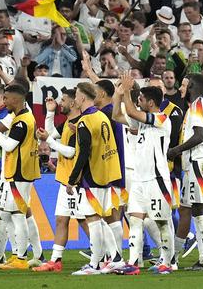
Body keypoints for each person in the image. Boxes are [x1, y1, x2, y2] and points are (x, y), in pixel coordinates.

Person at [114, 74, 176, 274]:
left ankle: (169, 261)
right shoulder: (140, 123)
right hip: (140, 180)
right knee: (135, 219)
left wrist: (126, 92)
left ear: (151, 102)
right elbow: (117, 115)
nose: (138, 101)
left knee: (161, 221)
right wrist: (118, 94)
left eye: (141, 99)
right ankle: (133, 263)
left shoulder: (161, 119)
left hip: (157, 179)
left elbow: (131, 110)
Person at [0, 83, 42, 269]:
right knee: (6, 214)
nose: (4, 101)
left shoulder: (22, 121)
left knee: (17, 215)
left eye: (6, 98)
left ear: (15, 99)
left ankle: (21, 259)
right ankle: (14, 255)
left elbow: (8, 146)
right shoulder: (20, 117)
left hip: (19, 173)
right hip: (14, 172)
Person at [69, 81, 122, 275]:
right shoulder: (101, 116)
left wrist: (72, 179)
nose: (75, 99)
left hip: (92, 175)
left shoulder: (84, 121)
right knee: (99, 218)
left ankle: (110, 260)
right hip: (105, 173)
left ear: (82, 97)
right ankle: (100, 262)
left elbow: (83, 153)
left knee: (94, 219)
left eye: (76, 95)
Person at [166, 73, 203, 271]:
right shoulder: (198, 106)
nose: (180, 88)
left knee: (199, 207)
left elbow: (198, 136)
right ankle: (176, 258)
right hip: (194, 163)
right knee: (190, 208)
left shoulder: (197, 105)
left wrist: (175, 151)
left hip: (199, 161)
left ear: (193, 86)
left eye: (184, 84)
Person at [33, 91, 80, 273]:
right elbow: (50, 133)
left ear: (74, 102)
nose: (60, 102)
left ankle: (104, 257)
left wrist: (49, 141)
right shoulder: (68, 123)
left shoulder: (80, 123)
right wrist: (50, 112)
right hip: (64, 178)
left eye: (63, 100)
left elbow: (71, 152)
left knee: (85, 221)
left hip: (76, 180)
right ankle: (55, 260)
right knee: (61, 220)